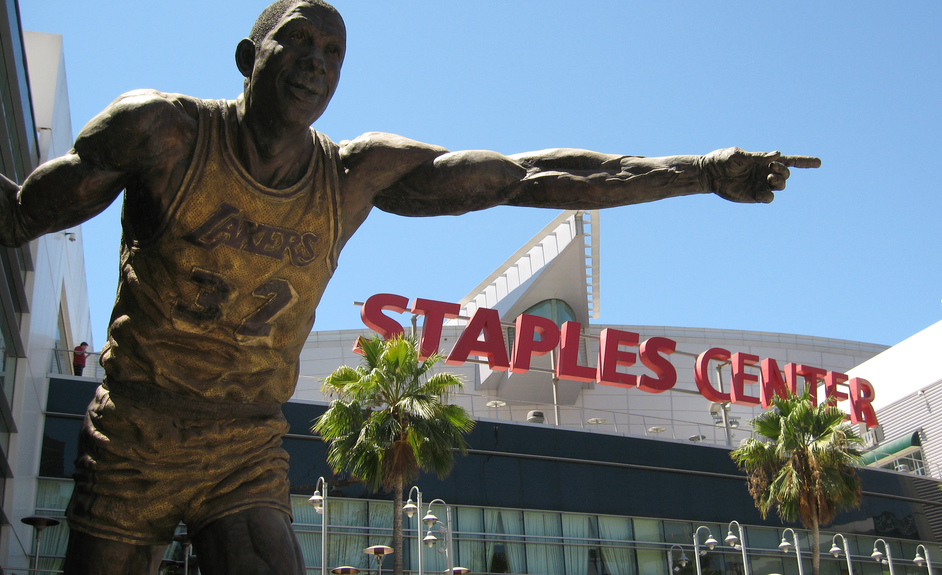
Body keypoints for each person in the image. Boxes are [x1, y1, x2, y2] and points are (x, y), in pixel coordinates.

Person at [0, 1, 820, 573]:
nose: (317, 65)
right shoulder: (165, 134)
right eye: (300, 43)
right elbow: (30, 210)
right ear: (251, 57)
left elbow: (528, 176)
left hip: (241, 445)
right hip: (138, 428)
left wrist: (704, 172)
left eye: (334, 56)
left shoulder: (351, 175)